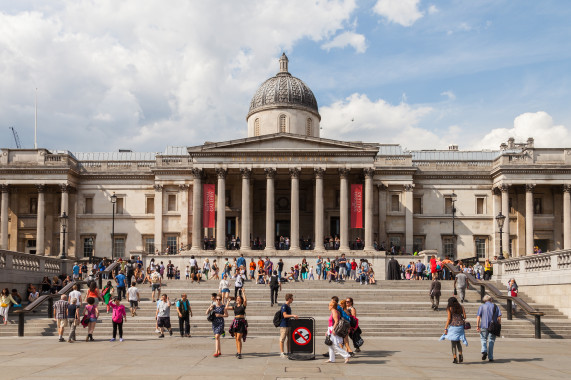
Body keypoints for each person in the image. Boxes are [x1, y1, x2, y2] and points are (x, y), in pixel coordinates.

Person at [440, 297, 468, 364]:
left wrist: (445, 328)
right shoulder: (461, 306)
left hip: (453, 326)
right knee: (458, 342)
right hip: (460, 326)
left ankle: (455, 358)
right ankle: (460, 354)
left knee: (453, 343)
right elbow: (465, 316)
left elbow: (449, 318)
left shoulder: (449, 308)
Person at [325, 298, 351, 364]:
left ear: (331, 306)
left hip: (333, 328)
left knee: (335, 345)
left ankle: (346, 355)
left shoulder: (334, 311)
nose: (328, 307)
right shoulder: (334, 311)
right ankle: (331, 359)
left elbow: (336, 321)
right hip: (331, 328)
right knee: (330, 344)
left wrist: (333, 330)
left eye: (329, 305)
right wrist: (328, 331)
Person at [477, 295, 502, 362]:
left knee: (483, 338)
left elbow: (478, 317)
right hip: (493, 326)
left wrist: (477, 326)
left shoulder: (481, 306)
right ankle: (490, 357)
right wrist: (499, 325)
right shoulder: (496, 306)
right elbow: (499, 317)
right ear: (491, 299)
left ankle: (484, 350)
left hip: (483, 325)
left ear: (484, 300)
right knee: (491, 340)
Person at [227, 288, 248, 359]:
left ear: (241, 300)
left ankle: (239, 353)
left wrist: (243, 292)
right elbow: (226, 307)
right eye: (237, 298)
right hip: (235, 322)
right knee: (236, 339)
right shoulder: (235, 307)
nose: (238, 299)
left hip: (241, 322)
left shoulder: (243, 306)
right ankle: (238, 352)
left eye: (239, 298)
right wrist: (228, 301)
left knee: (239, 338)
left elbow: (245, 300)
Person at [279, 293, 298, 358]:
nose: (293, 299)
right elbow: (285, 315)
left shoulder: (288, 306)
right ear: (289, 299)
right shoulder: (284, 306)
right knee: (282, 339)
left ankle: (289, 351)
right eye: (292, 298)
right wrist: (293, 315)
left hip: (289, 324)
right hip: (284, 325)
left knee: (289, 339)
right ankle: (282, 352)